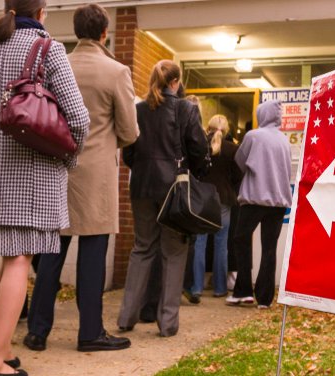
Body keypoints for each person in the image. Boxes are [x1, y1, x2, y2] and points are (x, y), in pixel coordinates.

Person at [0, 0, 90, 374]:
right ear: (42, 12)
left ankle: (5, 347)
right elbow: (78, 118)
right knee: (18, 260)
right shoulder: (49, 49)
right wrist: (65, 159)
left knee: (8, 259)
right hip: (36, 173)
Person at [23, 3, 138, 353]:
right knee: (92, 256)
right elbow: (131, 131)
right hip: (97, 175)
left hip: (57, 168)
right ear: (105, 32)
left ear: (76, 30)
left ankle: (37, 331)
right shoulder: (116, 71)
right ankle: (90, 332)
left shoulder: (55, 65)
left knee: (51, 254)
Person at [116, 60, 209, 337]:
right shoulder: (186, 109)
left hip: (143, 187)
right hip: (174, 189)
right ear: (175, 82)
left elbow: (129, 153)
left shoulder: (139, 110)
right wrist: (196, 173)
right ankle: (167, 323)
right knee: (174, 253)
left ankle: (126, 317)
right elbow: (199, 149)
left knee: (142, 248)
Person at [226, 100, 292, 309]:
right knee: (269, 247)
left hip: (254, 198)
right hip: (279, 200)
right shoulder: (284, 140)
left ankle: (243, 291)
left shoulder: (253, 136)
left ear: (261, 114)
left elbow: (239, 160)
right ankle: (265, 298)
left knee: (241, 239)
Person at [189, 115, 242, 300]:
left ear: (208, 127)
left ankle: (196, 287)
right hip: (224, 199)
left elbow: (194, 171)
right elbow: (238, 176)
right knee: (221, 244)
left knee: (200, 243)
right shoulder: (233, 149)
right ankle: (220, 288)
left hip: (203, 199)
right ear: (226, 129)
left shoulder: (200, 146)